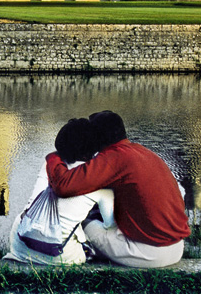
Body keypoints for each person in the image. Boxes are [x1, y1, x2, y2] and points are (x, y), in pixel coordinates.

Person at [45, 110, 189, 268]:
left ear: (98, 138)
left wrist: (54, 157)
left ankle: (69, 257)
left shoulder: (114, 158)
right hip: (175, 247)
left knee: (83, 222)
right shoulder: (142, 152)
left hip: (149, 253)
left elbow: (63, 186)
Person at [5, 118, 114, 265]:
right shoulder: (98, 179)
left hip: (20, 244)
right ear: (93, 148)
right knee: (91, 227)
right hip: (60, 256)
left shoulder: (49, 164)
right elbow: (110, 224)